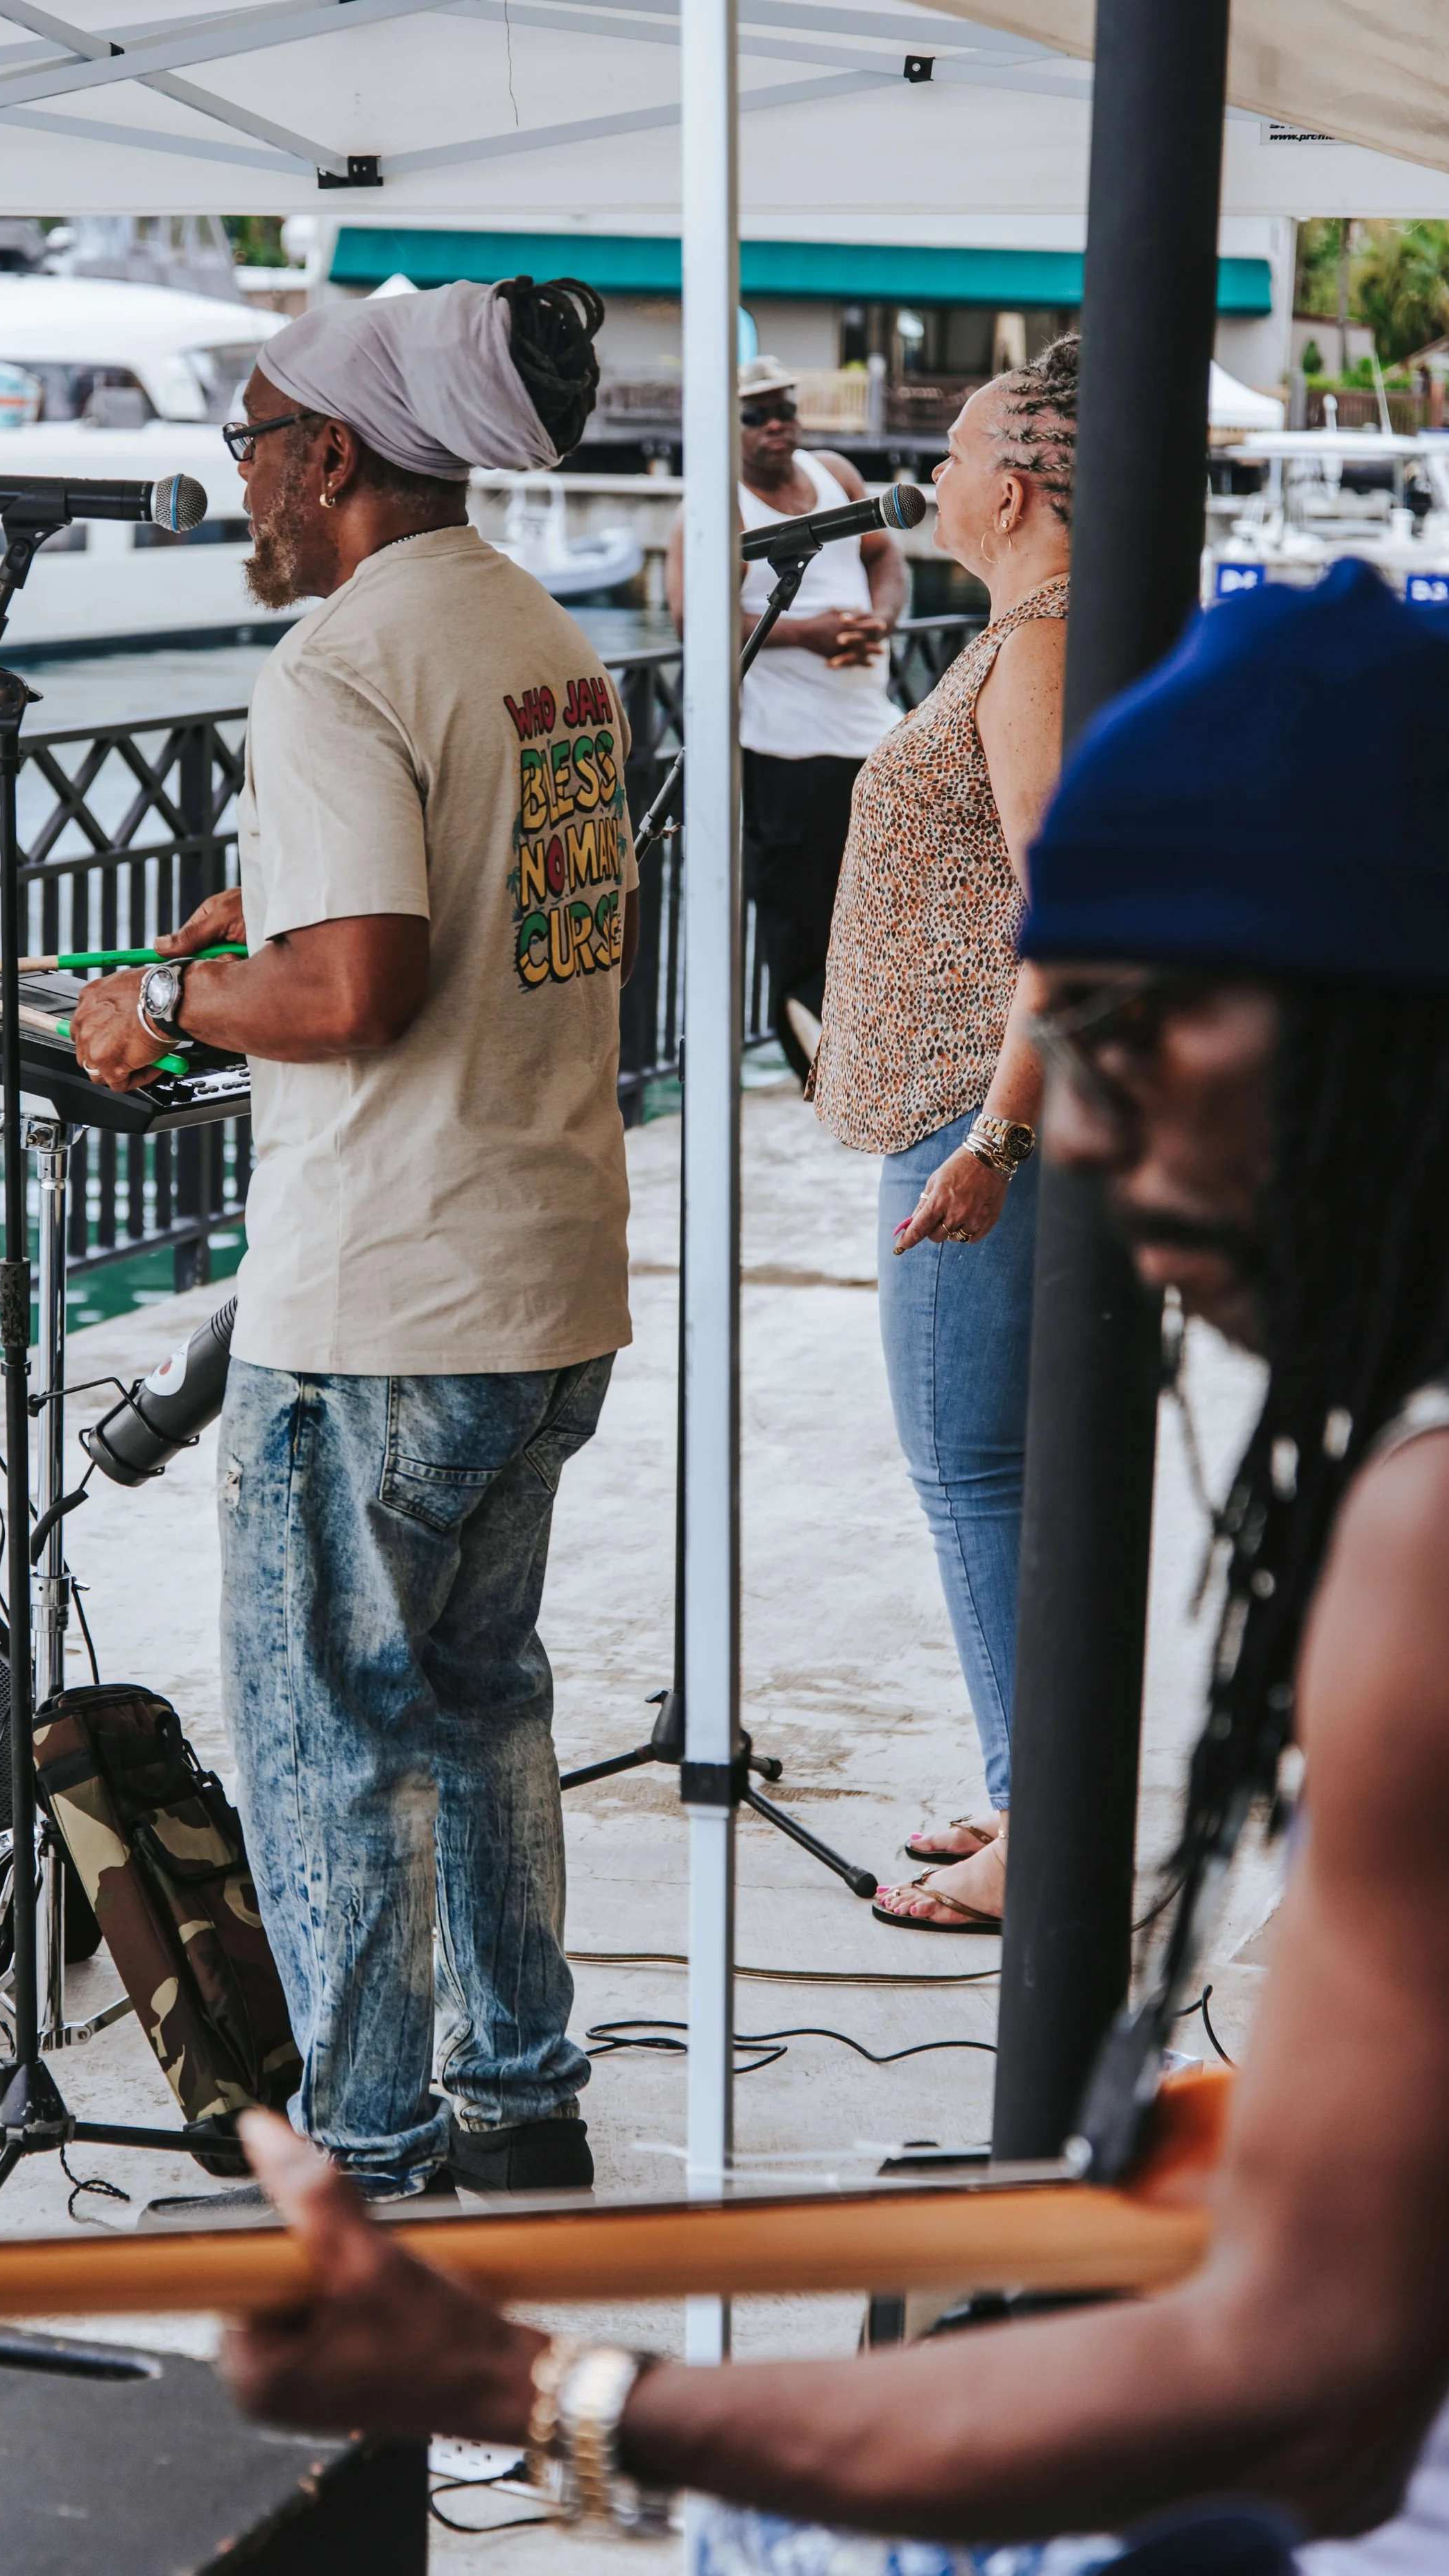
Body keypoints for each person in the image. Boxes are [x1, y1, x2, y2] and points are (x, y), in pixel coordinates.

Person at [212, 561, 1449, 2570]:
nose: (1101, 1145)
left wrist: (527, 2391)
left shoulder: (1421, 1545)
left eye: (1132, 1034)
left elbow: (1293, 2399)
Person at [71, 275, 640, 2201]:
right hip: (541, 1272)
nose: (239, 484)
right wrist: (282, 917)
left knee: (327, 1747)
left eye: (248, 444)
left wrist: (156, 996)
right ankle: (517, 2101)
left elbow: (349, 994)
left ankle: (372, 2159)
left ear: (330, 457)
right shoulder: (535, 634)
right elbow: (463, 901)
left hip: (386, 1298)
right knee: (477, 1710)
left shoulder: (331, 666)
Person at [812, 336, 1077, 1931]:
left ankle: (1041, 1840)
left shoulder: (1044, 645)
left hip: (974, 1116)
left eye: (955, 446)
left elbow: (1073, 899)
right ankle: (1025, 1789)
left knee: (972, 1469)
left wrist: (999, 1136)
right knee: (997, 1469)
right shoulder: (1028, 634)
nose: (932, 475)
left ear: (1019, 485)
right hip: (966, 1108)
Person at [667, 355, 909, 1082]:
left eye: (785, 408)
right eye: (756, 414)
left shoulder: (834, 472)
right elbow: (693, 616)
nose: (777, 425)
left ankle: (870, 1053)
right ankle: (818, 1069)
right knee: (800, 915)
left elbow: (884, 556)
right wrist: (809, 633)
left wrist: (877, 622)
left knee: (877, 903)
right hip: (786, 742)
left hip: (868, 725)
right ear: (726, 426)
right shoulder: (717, 503)